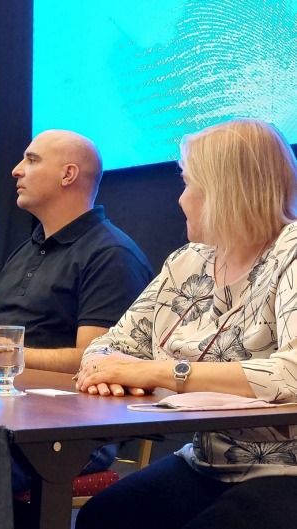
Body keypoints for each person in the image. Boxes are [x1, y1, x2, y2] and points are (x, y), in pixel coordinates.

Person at [75, 118, 297, 529]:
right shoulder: (186, 262)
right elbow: (110, 345)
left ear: (225, 191)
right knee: (103, 517)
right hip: (207, 459)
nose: (180, 199)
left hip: (286, 469)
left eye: (189, 184)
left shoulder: (291, 253)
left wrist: (157, 371)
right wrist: (106, 371)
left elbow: (292, 373)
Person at [0, 129, 153, 372]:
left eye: (32, 160)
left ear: (68, 174)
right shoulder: (24, 252)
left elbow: (98, 362)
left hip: (59, 405)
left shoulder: (112, 255)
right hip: (1, 392)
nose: (16, 170)